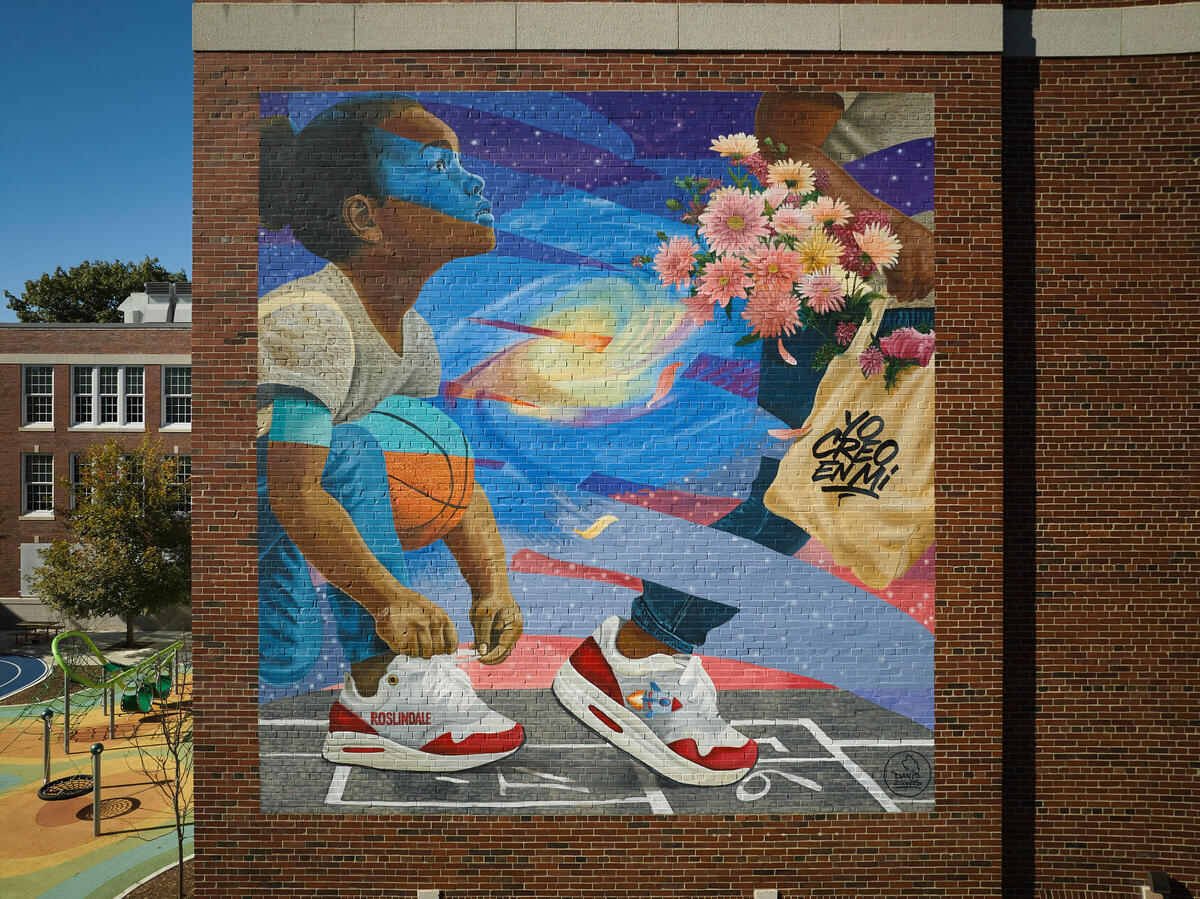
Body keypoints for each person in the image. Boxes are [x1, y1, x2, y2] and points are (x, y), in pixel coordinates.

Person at [553, 92, 936, 786]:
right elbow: (783, 138)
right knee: (801, 495)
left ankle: (650, 645)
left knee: (819, 496)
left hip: (899, 299)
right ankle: (641, 653)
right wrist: (895, 230)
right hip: (851, 287)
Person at [257, 94, 525, 772]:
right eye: (439, 165)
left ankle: (372, 689)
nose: (472, 181)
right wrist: (390, 599)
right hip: (247, 501)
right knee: (349, 447)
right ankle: (383, 690)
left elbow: (448, 473)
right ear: (365, 216)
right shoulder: (312, 318)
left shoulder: (416, 339)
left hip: (293, 511)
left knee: (282, 654)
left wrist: (489, 584)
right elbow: (295, 487)